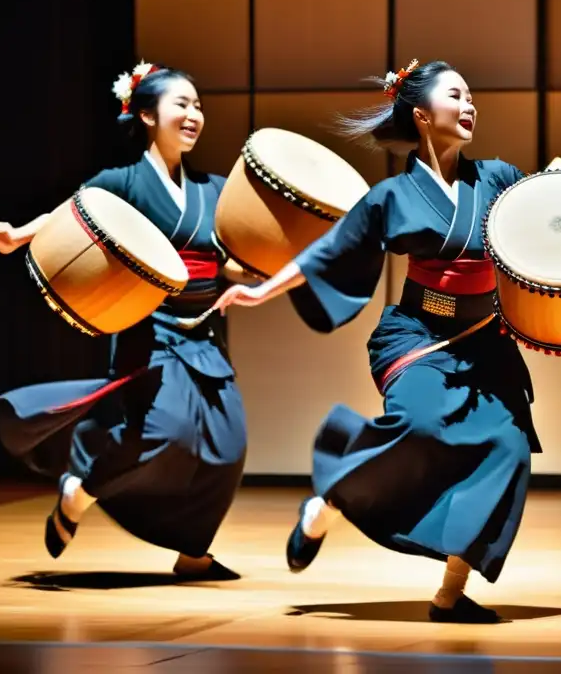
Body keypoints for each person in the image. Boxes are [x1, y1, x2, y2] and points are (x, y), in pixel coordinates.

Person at [213, 59, 540, 624]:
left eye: (471, 96)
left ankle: (450, 594)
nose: (470, 105)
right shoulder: (391, 196)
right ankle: (330, 498)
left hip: (483, 340)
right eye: (456, 95)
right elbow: (329, 252)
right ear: (421, 114)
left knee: (507, 451)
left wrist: (558, 189)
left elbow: (542, 223)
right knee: (421, 426)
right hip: (417, 337)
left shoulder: (499, 177)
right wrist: (263, 290)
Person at [0, 61, 257, 579]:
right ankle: (80, 488)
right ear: (148, 115)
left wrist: (271, 272)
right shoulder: (123, 181)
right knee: (165, 429)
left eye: (199, 105)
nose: (195, 114)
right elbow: (72, 215)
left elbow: (224, 261)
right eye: (182, 104)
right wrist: (19, 235)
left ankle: (192, 552)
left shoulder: (213, 189)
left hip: (203, 330)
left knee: (228, 442)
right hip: (148, 327)